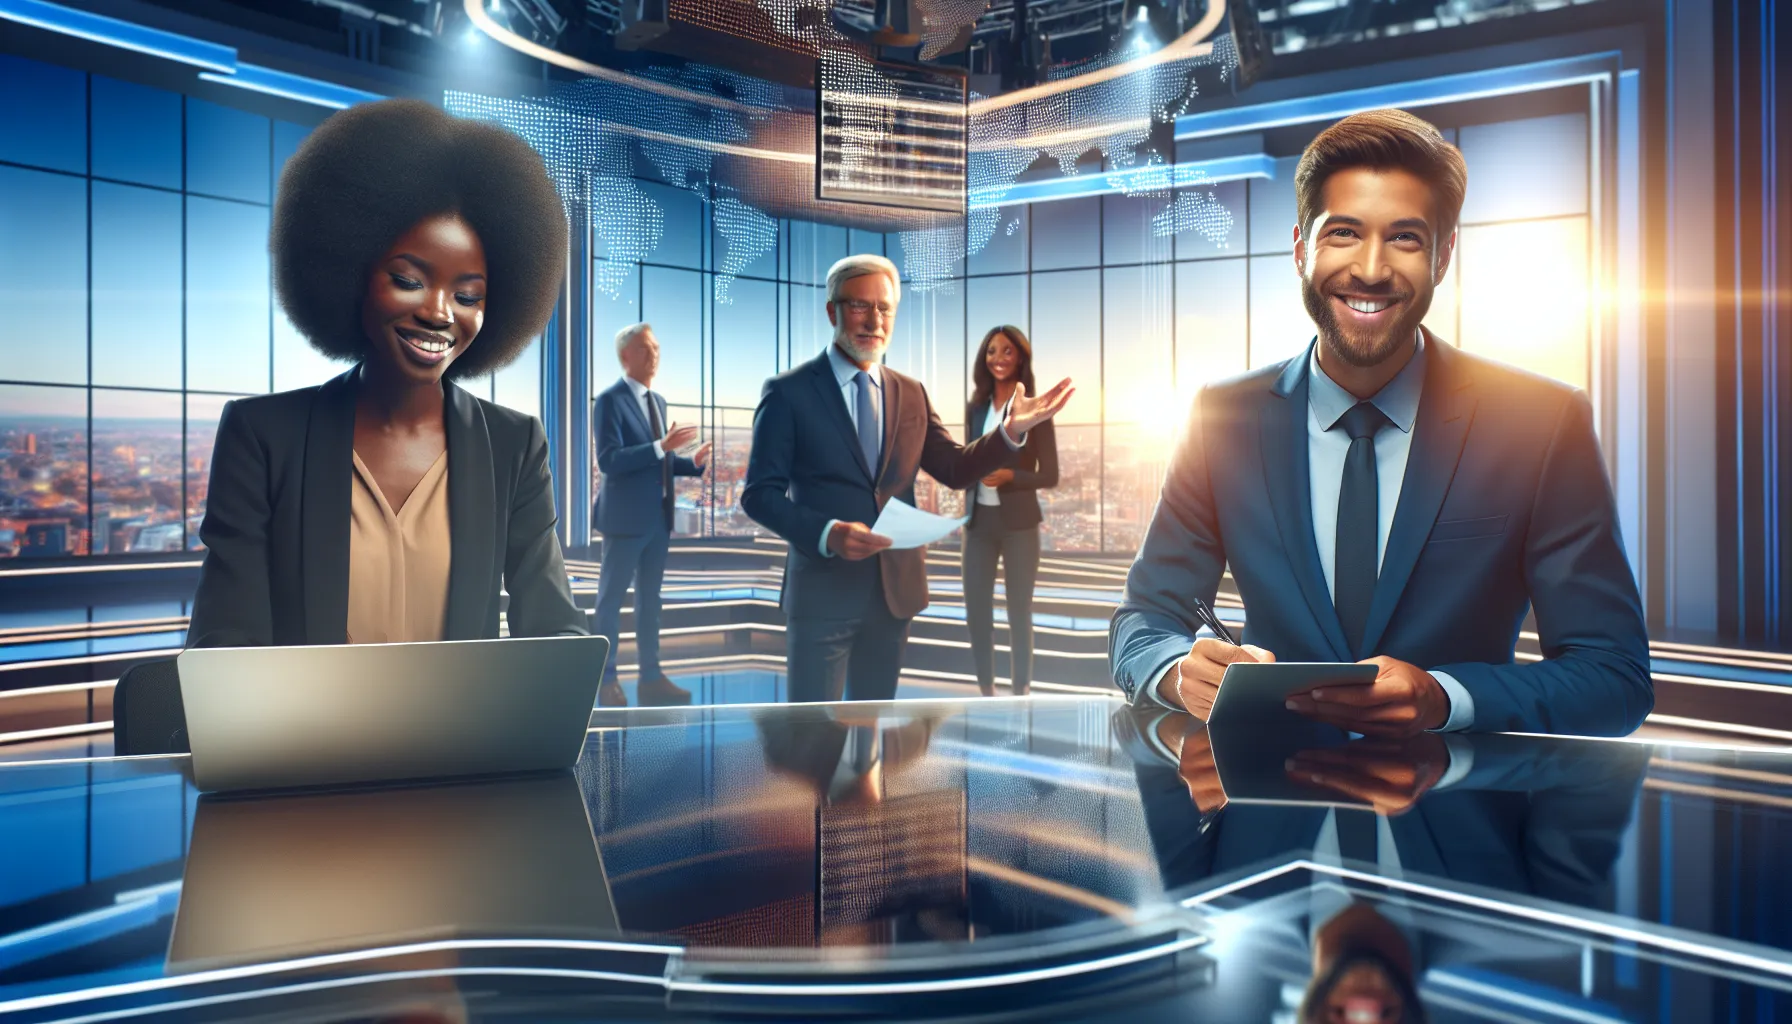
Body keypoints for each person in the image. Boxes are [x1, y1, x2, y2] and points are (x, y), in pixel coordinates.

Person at [1109, 108, 1652, 737]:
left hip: (1454, 817)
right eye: (1342, 233)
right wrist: (1176, 671)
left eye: (1405, 238)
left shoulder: (1542, 423)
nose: (1370, 268)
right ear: (1299, 248)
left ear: (1444, 256)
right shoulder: (1221, 418)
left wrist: (1447, 697)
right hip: (1268, 815)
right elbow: (1145, 616)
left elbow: (1613, 676)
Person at [186, 99, 586, 651]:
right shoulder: (263, 437)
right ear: (348, 271)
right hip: (302, 737)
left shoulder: (514, 447)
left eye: (468, 295)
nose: (440, 312)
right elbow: (225, 648)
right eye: (408, 279)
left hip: (467, 739)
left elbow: (554, 633)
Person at [741, 255, 1075, 703]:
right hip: (822, 596)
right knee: (812, 745)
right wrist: (828, 533)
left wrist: (1009, 432)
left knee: (872, 738)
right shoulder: (788, 392)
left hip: (893, 596)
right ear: (832, 311)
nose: (874, 320)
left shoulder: (911, 392)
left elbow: (955, 469)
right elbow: (759, 495)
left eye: (885, 309)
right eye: (860, 306)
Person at [592, 323, 712, 707]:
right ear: (626, 355)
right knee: (610, 602)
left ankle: (651, 678)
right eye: (647, 348)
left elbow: (658, 460)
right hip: (625, 522)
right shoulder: (609, 401)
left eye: (658, 347)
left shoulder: (657, 401)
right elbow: (609, 460)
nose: (655, 354)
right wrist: (661, 445)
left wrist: (691, 463)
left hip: (658, 520)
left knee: (650, 601)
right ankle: (605, 680)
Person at [962, 326, 1058, 696]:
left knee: (1018, 612)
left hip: (1019, 526)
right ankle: (986, 691)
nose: (997, 359)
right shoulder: (975, 409)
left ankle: (1020, 695)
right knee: (976, 614)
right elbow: (969, 456)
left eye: (1006, 351)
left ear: (1020, 357)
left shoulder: (1037, 410)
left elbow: (1050, 474)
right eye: (991, 351)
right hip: (978, 524)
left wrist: (1009, 476)